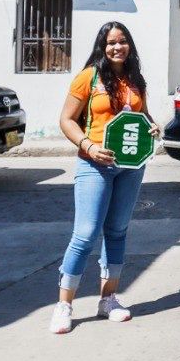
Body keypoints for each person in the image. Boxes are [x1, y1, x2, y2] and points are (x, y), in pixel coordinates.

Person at [51, 21, 161, 335]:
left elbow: (143, 116)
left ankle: (108, 299)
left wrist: (153, 126)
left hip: (130, 165)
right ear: (102, 46)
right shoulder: (89, 77)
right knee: (85, 235)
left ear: (130, 45)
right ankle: (64, 305)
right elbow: (66, 120)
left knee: (117, 231)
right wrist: (88, 145)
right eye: (111, 42)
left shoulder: (136, 79)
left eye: (122, 41)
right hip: (94, 165)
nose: (116, 47)